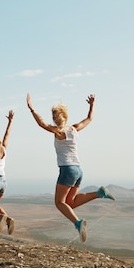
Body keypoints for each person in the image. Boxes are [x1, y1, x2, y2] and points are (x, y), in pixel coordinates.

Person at [26, 93, 115, 243]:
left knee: (59, 203)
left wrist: (31, 109)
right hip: (78, 170)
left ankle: (78, 223)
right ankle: (100, 193)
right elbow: (89, 119)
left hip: (67, 170)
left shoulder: (58, 132)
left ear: (55, 119)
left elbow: (41, 124)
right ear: (65, 117)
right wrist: (92, 105)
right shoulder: (74, 129)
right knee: (70, 203)